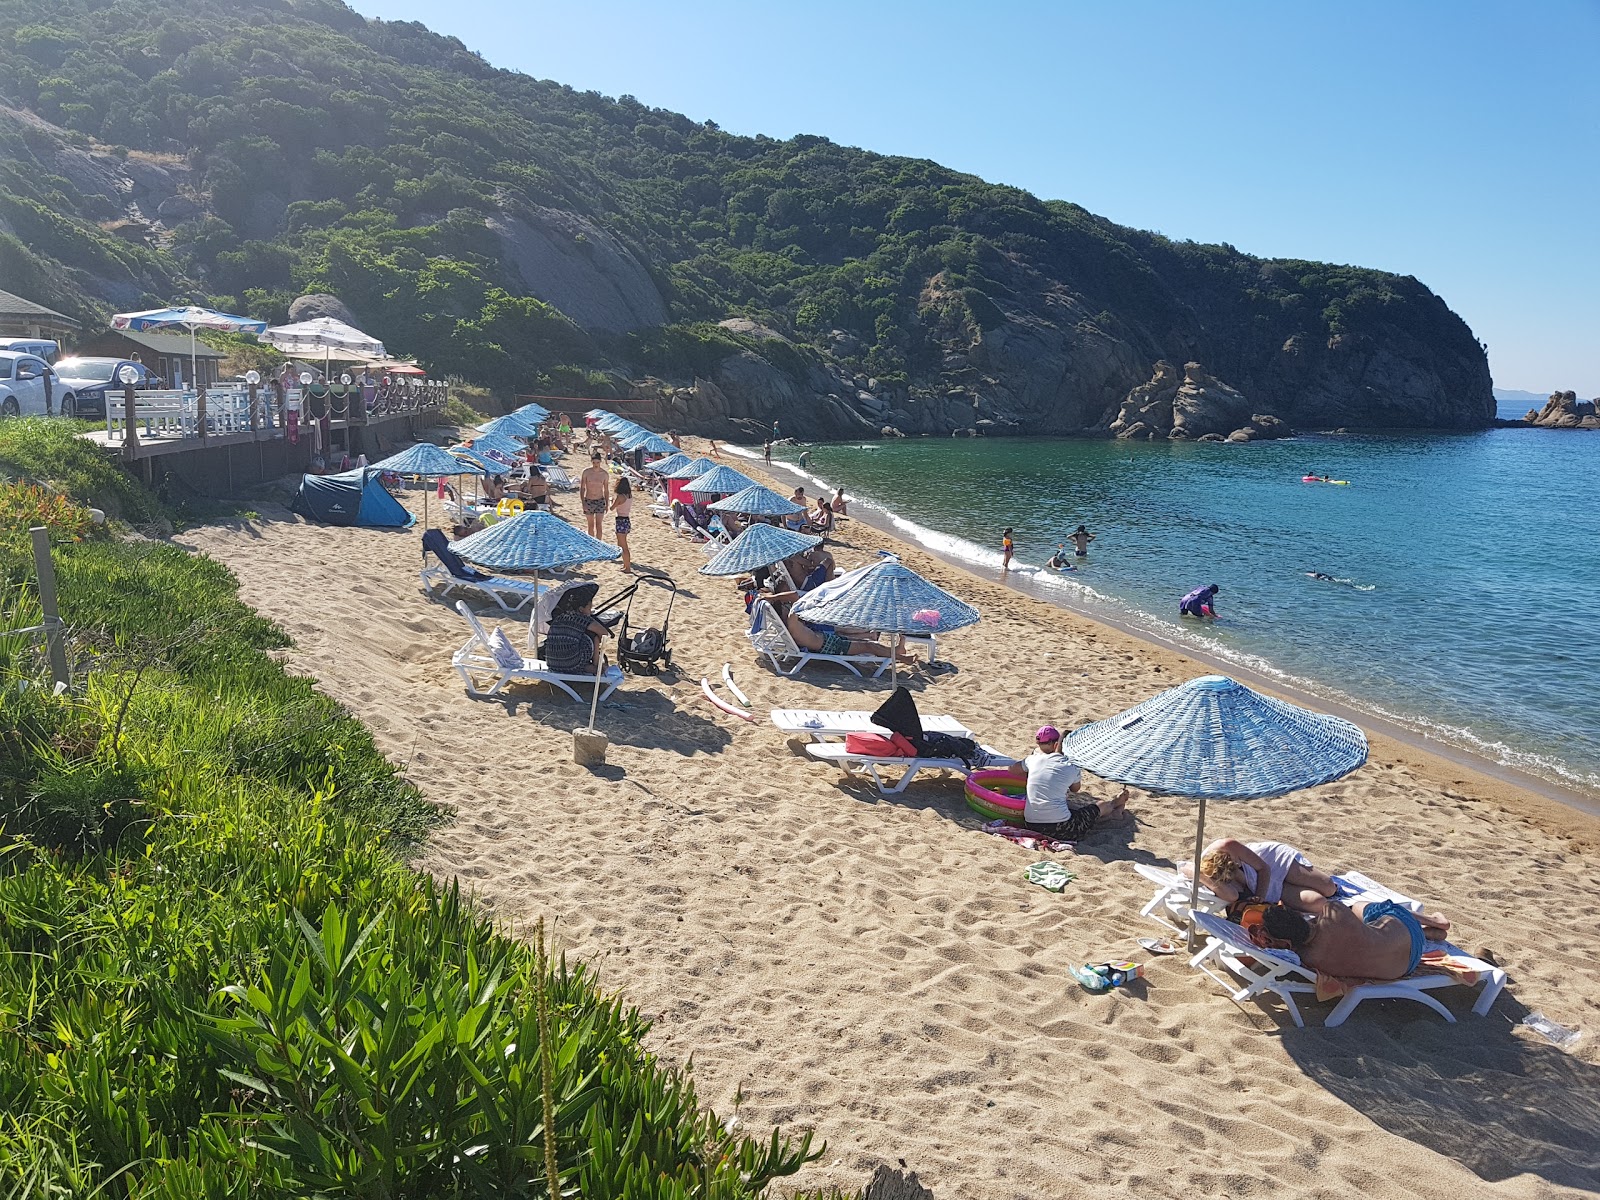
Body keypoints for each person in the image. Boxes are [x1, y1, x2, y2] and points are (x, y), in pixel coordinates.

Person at [1257, 896, 1450, 981]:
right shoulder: (1333, 911)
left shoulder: (1309, 958)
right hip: (1405, 935)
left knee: (1365, 929)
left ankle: (1430, 930)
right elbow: (1341, 924)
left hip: (1404, 967)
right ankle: (1435, 922)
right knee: (1360, 907)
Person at [1007, 726, 1129, 841]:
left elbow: (1011, 769)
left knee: (1074, 811)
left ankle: (1112, 814)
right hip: (1063, 828)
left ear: (1056, 745)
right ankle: (1114, 804)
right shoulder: (1072, 767)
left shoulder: (1034, 759)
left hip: (1031, 824)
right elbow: (1075, 789)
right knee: (1096, 808)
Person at [1184, 838, 1336, 911]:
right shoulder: (1209, 873)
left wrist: (1260, 896)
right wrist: (1202, 876)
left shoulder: (1227, 846)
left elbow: (1264, 868)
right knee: (1319, 902)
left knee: (1329, 888)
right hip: (1268, 887)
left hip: (1273, 862)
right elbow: (1231, 896)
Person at [543, 583, 612, 676]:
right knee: (594, 636)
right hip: (572, 662)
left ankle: (590, 667)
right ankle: (596, 667)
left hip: (552, 662)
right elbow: (604, 633)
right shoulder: (581, 619)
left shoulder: (560, 617)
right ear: (581, 609)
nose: (590, 611)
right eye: (589, 608)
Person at [579, 453, 610, 539]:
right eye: (594, 462)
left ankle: (599, 544)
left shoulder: (604, 474)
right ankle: (592, 544)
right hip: (589, 500)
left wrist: (607, 503)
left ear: (600, 462)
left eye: (597, 462)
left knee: (599, 525)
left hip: (600, 500)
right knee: (590, 525)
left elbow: (606, 490)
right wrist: (583, 502)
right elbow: (582, 488)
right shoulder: (586, 472)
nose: (596, 465)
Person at [611, 476, 633, 573]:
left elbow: (612, 508)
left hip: (620, 520)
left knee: (623, 546)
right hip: (626, 520)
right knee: (622, 544)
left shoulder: (620, 496)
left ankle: (627, 567)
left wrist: (612, 500)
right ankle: (625, 565)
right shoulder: (629, 495)